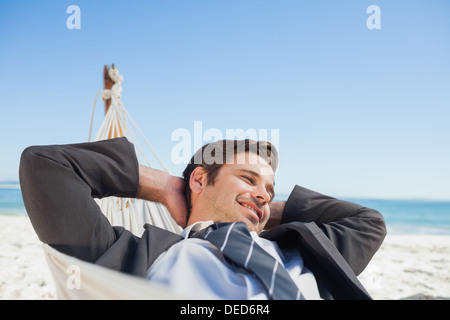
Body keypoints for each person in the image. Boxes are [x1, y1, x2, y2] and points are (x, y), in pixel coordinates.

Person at [19, 137, 386, 300]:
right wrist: (166, 187)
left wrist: (255, 203)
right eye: (247, 177)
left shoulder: (303, 250)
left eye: (270, 189)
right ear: (198, 179)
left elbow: (368, 223)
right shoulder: (136, 256)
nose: (264, 193)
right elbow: (46, 167)